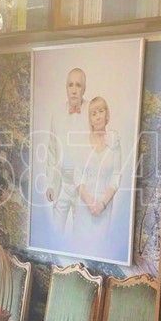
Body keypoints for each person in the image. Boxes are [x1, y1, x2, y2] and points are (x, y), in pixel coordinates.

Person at [45, 67, 89, 234]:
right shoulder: (57, 114)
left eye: (78, 85)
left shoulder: (91, 112)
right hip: (61, 184)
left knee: (81, 235)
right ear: (66, 88)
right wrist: (50, 184)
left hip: (82, 187)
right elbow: (51, 150)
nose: (74, 90)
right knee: (56, 233)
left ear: (84, 88)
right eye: (70, 85)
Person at [73, 96, 122, 244]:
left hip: (103, 207)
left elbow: (116, 176)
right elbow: (77, 175)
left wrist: (102, 204)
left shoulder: (114, 143)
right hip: (84, 205)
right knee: (80, 245)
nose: (98, 116)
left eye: (101, 111)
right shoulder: (83, 142)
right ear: (90, 119)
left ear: (107, 115)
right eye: (93, 113)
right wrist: (89, 202)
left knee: (99, 246)